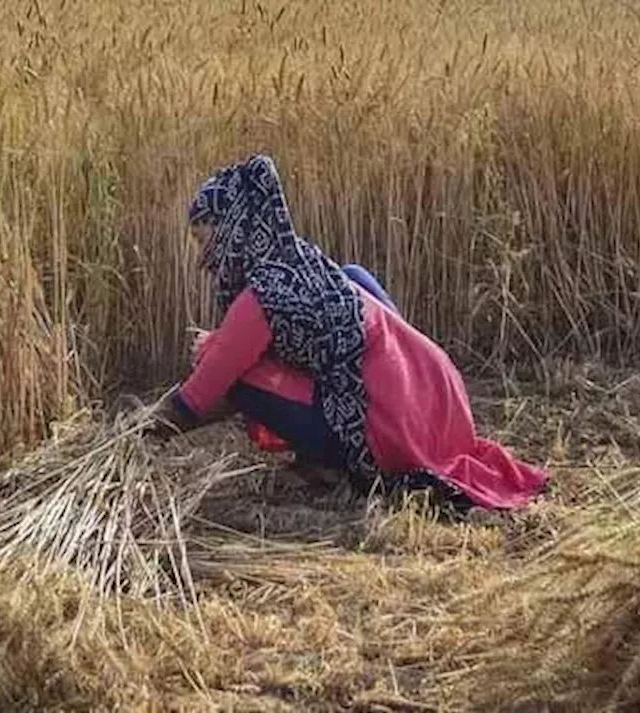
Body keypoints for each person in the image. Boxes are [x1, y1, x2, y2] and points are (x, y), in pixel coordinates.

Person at [150, 153, 548, 516]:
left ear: (231, 230)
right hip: (441, 403)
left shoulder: (260, 300)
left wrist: (144, 433)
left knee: (230, 368)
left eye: (203, 242)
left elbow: (194, 402)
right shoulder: (306, 264)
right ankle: (322, 456)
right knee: (354, 277)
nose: (202, 262)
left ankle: (330, 464)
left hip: (394, 437)